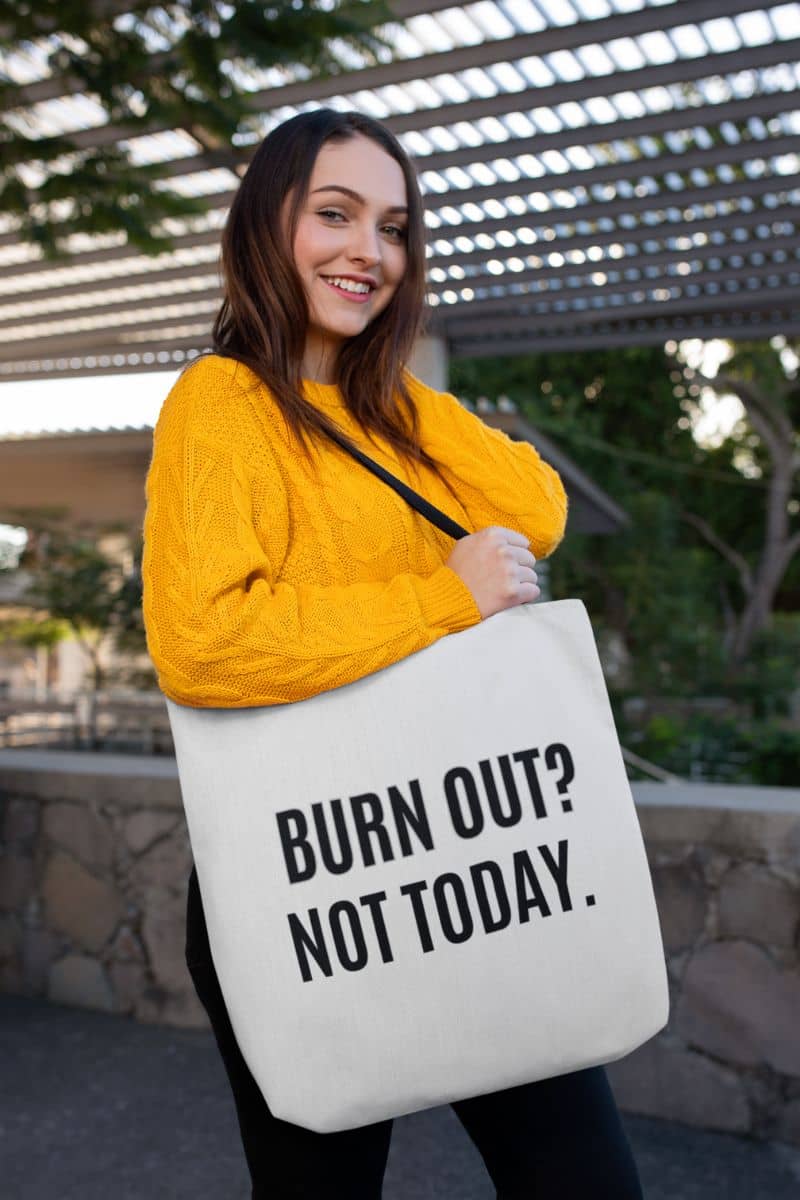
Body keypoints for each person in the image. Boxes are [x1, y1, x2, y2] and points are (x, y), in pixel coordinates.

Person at [142, 108, 643, 1200]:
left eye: (394, 227)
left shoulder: (391, 413)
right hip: (311, 873)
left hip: (466, 849)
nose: (368, 249)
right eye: (334, 214)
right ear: (264, 226)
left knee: (583, 1180)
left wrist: (379, 375)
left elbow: (536, 509)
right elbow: (203, 642)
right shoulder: (220, 403)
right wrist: (436, 598)